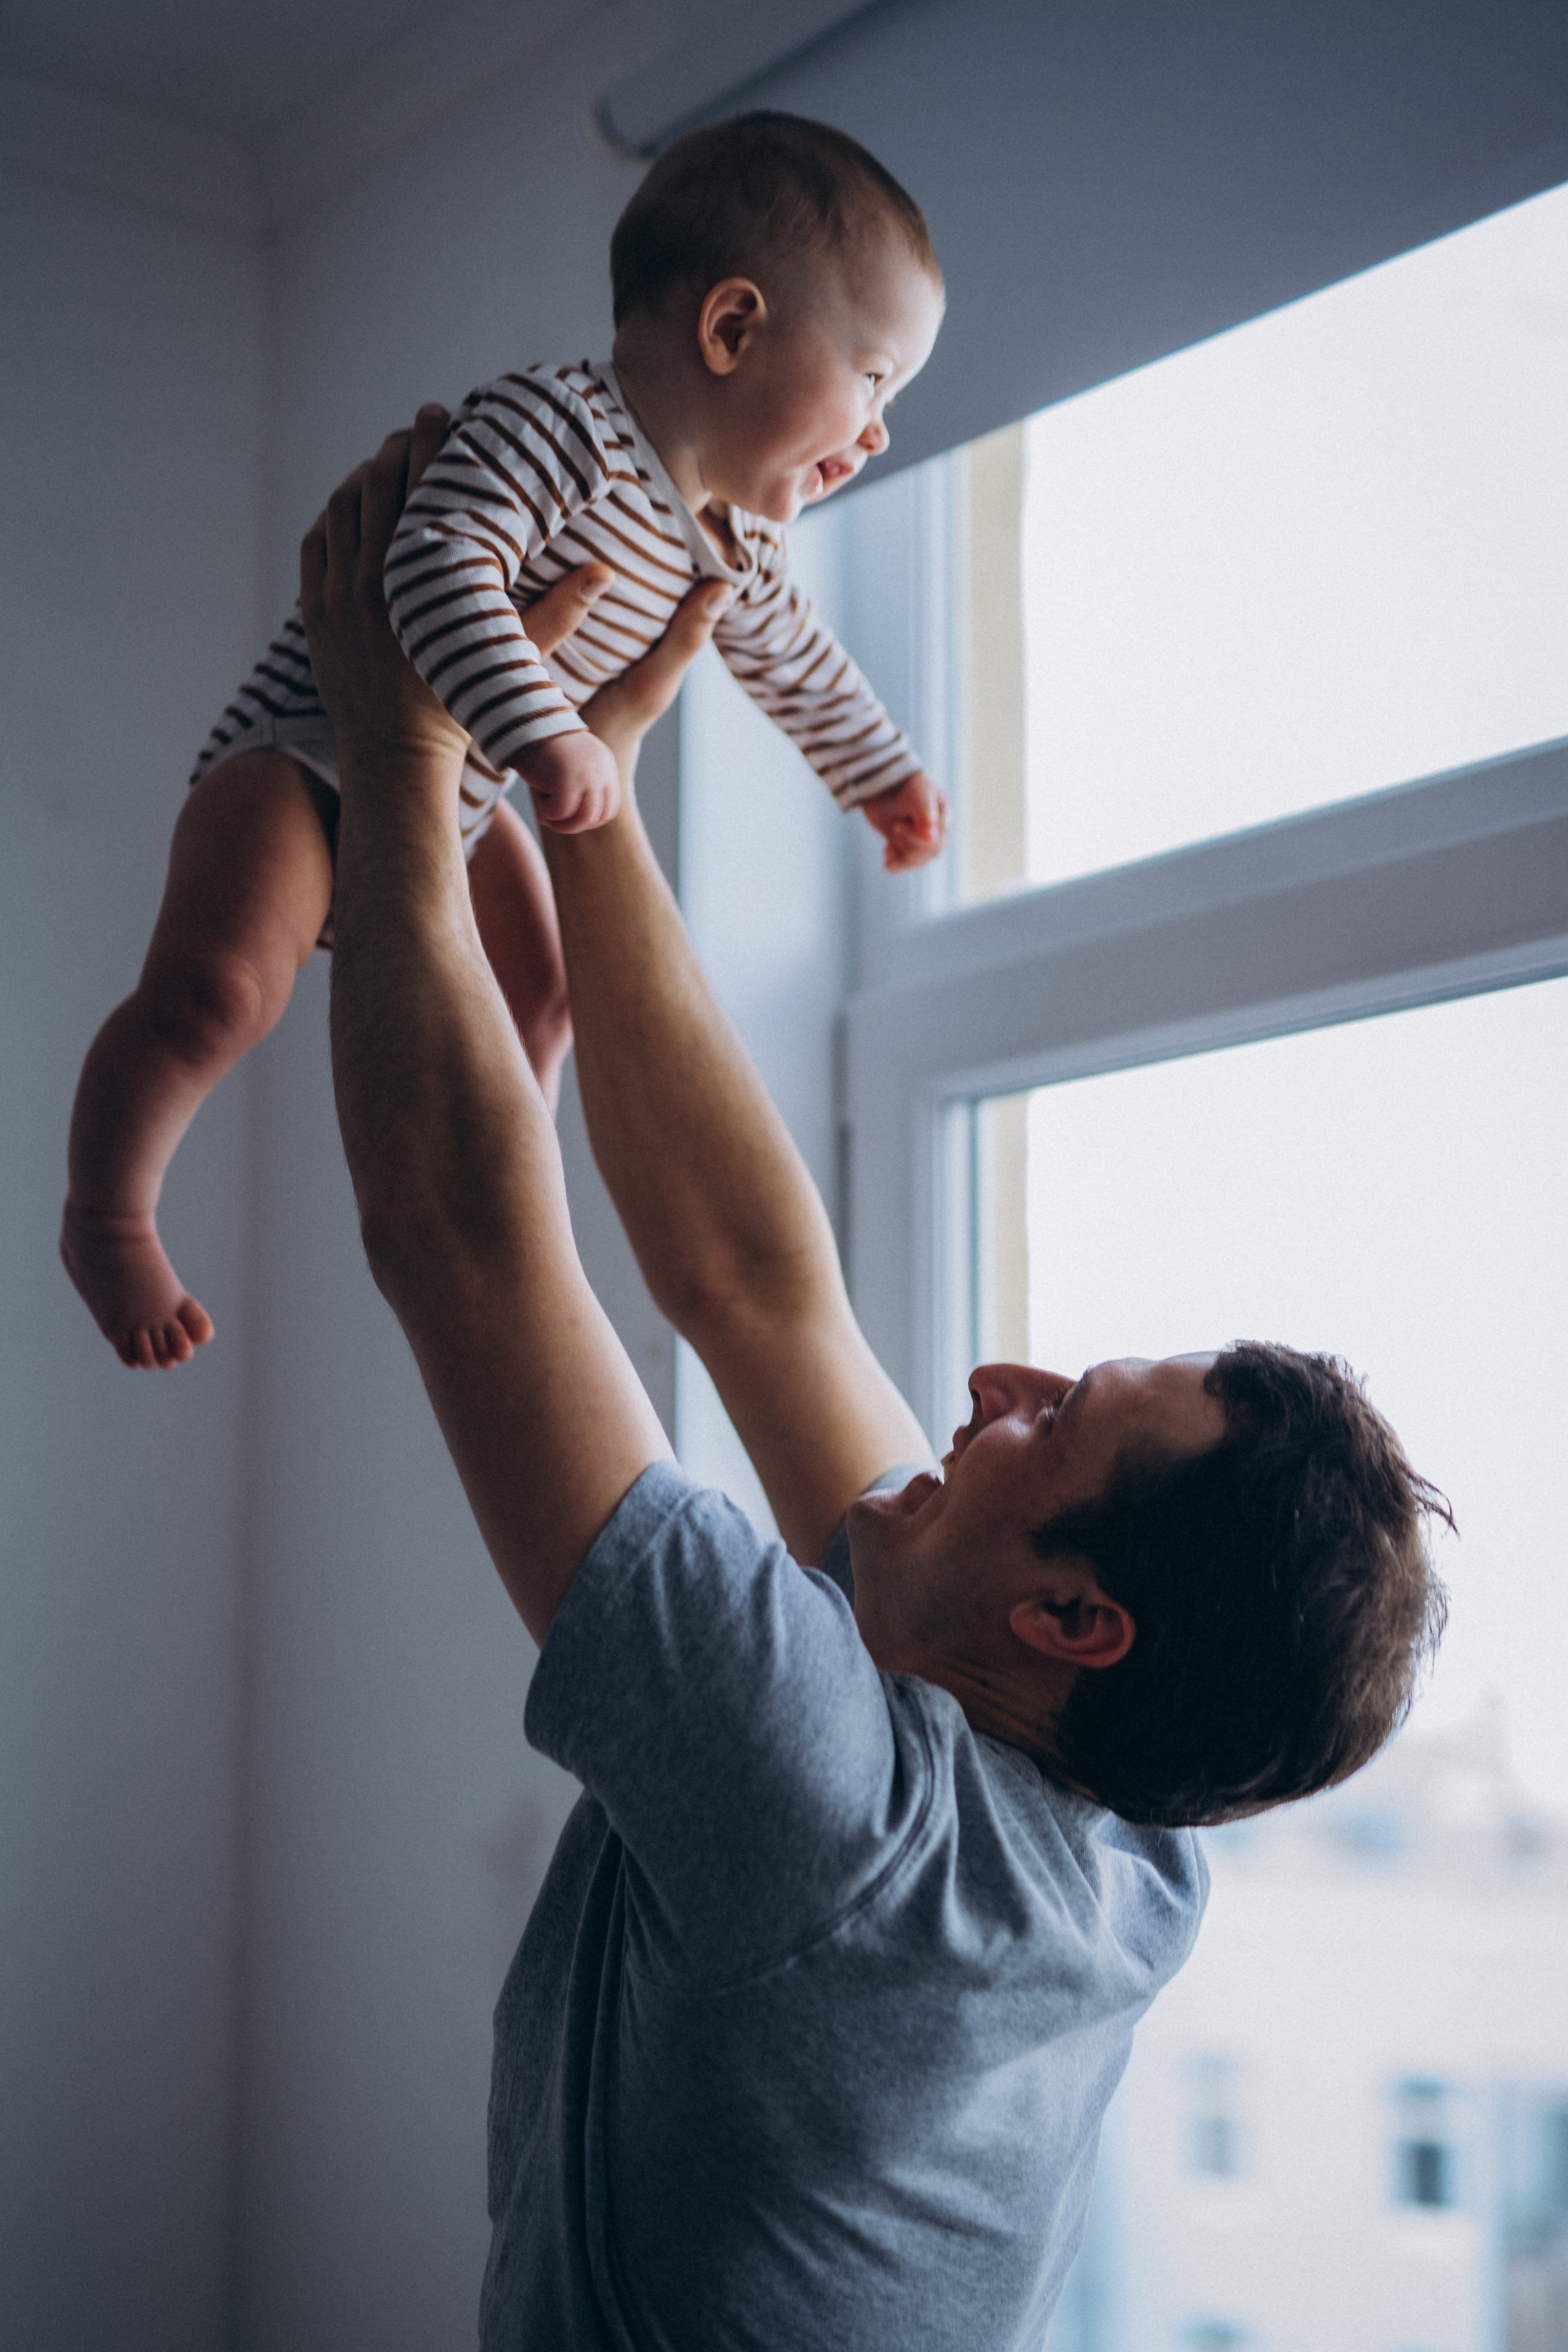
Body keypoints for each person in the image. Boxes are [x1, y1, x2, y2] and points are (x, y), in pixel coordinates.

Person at [302, 412, 1449, 2350]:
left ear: (1077, 1615)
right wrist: (595, 797)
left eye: (1048, 1419)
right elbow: (756, 1286)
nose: (985, 1388)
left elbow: (463, 1248)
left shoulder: (836, 1827)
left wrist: (402, 745)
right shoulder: (1123, 1829)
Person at [60, 112, 947, 1370]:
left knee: (541, 991)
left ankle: (499, 1196)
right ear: (733, 329)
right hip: (306, 754)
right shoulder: (561, 427)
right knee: (218, 993)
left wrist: (881, 773)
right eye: (873, 379)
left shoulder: (735, 540)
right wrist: (547, 735)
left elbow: (792, 657)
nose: (877, 432)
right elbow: (429, 568)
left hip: (464, 795)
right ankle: (108, 1213)